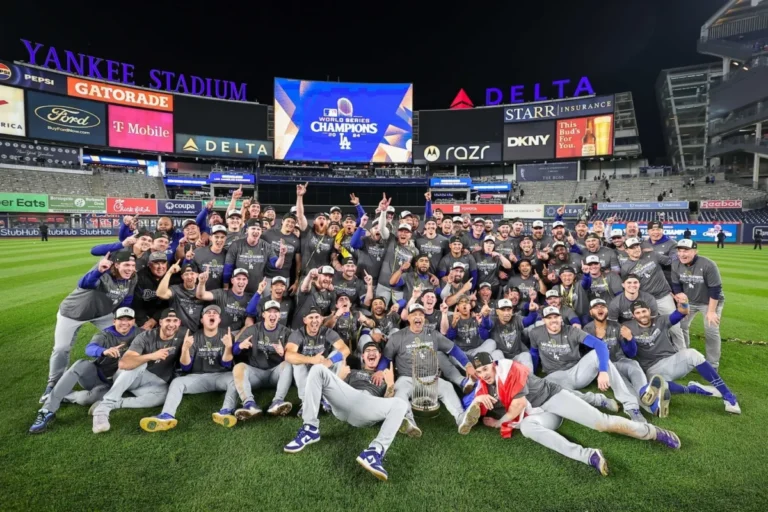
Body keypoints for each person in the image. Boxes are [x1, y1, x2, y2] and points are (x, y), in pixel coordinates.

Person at [461, 353, 680, 476]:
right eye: (479, 372)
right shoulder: (484, 384)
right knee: (528, 428)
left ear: (494, 365)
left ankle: (652, 432)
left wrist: (499, 423)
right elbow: (472, 408)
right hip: (539, 414)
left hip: (551, 398)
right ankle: (589, 456)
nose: (484, 374)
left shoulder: (512, 369)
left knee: (601, 423)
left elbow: (517, 406)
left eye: (486, 369)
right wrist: (477, 400)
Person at [283, 342, 410, 481]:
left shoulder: (385, 378)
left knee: (400, 404)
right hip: (347, 399)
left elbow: (387, 405)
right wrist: (340, 376)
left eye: (375, 350)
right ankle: (310, 428)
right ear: (363, 356)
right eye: (368, 350)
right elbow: (333, 390)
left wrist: (390, 383)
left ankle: (374, 452)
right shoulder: (353, 372)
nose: (372, 352)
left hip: (368, 406)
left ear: (380, 356)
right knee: (318, 369)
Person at [40, 249, 137, 403]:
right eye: (127, 265)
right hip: (73, 313)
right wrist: (98, 271)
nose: (130, 268)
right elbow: (85, 283)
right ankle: (53, 385)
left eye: (133, 265)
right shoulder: (104, 274)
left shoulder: (132, 277)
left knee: (126, 334)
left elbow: (126, 300)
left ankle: (119, 373)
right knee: (61, 348)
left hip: (101, 314)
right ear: (116, 265)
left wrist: (123, 320)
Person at [374, 303, 479, 435]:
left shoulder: (433, 334)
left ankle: (461, 419)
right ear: (409, 318)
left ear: (424, 318)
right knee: (399, 391)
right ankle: (409, 422)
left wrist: (468, 365)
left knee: (447, 387)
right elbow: (386, 357)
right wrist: (379, 370)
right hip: (408, 378)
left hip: (431, 378)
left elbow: (453, 349)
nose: (418, 317)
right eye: (414, 314)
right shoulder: (397, 337)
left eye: (421, 315)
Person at [30, 308, 139, 434]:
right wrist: (103, 351)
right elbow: (90, 348)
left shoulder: (139, 333)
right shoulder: (104, 334)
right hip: (96, 376)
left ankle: (64, 395)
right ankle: (47, 411)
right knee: (80, 364)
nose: (124, 323)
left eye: (128, 319)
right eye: (121, 319)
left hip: (111, 386)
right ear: (114, 321)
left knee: (88, 400)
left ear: (133, 321)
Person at [528, 306, 646, 422]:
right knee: (552, 390)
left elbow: (600, 345)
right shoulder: (535, 333)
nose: (553, 320)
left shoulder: (572, 331)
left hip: (578, 371)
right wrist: (532, 376)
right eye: (549, 318)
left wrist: (603, 371)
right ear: (543, 320)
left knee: (597, 354)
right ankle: (598, 400)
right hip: (555, 375)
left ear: (561, 318)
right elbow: (533, 354)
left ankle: (631, 407)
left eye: (556, 316)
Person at [624, 299, 741, 416]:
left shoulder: (661, 320)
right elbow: (631, 354)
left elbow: (681, 313)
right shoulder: (627, 328)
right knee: (656, 386)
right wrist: (629, 339)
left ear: (649, 311)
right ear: (633, 316)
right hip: (651, 369)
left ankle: (728, 395)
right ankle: (693, 389)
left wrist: (684, 303)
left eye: (644, 311)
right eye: (638, 313)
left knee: (693, 354)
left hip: (672, 362)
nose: (642, 315)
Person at [139, 305, 235, 432]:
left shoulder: (227, 336)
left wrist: (228, 347)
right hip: (198, 377)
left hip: (221, 376)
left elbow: (226, 364)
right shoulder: (194, 337)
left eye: (215, 313)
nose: (212, 314)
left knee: (236, 380)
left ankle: (226, 412)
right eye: (208, 313)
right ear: (202, 320)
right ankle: (166, 415)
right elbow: (186, 367)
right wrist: (185, 350)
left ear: (219, 319)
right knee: (177, 382)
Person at [91, 308, 185, 433]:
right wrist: (151, 356)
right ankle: (103, 409)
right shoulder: (146, 336)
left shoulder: (184, 334)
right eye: (168, 320)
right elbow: (124, 363)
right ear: (161, 322)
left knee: (164, 395)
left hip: (150, 382)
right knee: (138, 364)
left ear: (179, 323)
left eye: (175, 321)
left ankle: (115, 404)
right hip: (129, 376)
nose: (171, 324)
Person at [215, 300, 295, 425]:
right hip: (256, 374)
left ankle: (277, 402)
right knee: (239, 367)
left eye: (276, 312)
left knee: (288, 364)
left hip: (275, 374)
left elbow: (295, 355)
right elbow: (234, 351)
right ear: (263, 314)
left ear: (279, 315)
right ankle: (249, 404)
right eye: (269, 312)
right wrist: (240, 346)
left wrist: (284, 353)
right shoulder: (253, 329)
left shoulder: (286, 332)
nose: (272, 315)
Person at [620, 238, 684, 350]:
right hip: (646, 301)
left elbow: (670, 261)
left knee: (675, 328)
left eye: (637, 246)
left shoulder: (653, 255)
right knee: (652, 330)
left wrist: (680, 253)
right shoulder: (626, 267)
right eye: (632, 248)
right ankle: (660, 353)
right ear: (626, 250)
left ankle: (683, 352)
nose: (636, 249)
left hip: (663, 296)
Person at [671, 239, 725, 368]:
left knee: (711, 330)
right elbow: (676, 285)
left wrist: (711, 312)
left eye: (686, 250)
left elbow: (715, 289)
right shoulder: (675, 264)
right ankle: (685, 356)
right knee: (681, 326)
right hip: (690, 301)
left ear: (695, 251)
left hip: (709, 301)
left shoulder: (708, 264)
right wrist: (680, 299)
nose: (682, 254)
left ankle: (712, 363)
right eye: (680, 251)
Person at [284, 307, 351, 410]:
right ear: (305, 320)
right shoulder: (298, 334)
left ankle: (327, 399)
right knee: (296, 363)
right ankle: (306, 401)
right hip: (306, 371)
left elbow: (346, 350)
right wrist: (311, 360)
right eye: (311, 317)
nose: (314, 320)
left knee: (338, 355)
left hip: (323, 366)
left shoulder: (327, 332)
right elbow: (288, 355)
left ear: (321, 319)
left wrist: (330, 361)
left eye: (317, 317)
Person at [583, 299, 647, 397]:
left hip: (620, 361)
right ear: (591, 312)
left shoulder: (616, 326)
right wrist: (599, 339)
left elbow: (631, 353)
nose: (600, 309)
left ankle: (644, 392)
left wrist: (630, 339)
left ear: (607, 310)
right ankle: (638, 401)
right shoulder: (587, 330)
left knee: (634, 365)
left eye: (603, 306)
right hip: (605, 367)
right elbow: (588, 356)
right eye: (596, 307)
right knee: (623, 382)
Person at [196, 267, 253, 332]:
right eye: (238, 279)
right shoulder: (221, 293)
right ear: (232, 281)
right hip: (220, 335)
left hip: (238, 335)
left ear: (247, 281)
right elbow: (201, 295)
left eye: (244, 279)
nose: (241, 282)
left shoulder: (251, 299)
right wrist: (201, 283)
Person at [156, 260, 205, 333]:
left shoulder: (202, 291)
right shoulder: (176, 289)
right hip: (176, 332)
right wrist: (169, 272)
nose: (189, 277)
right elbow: (160, 294)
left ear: (197, 275)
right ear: (182, 277)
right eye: (186, 274)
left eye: (192, 274)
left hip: (196, 333)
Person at [132, 252, 170, 331]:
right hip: (144, 314)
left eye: (163, 263)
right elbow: (137, 303)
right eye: (156, 263)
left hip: (165, 314)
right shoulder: (140, 277)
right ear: (149, 265)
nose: (160, 267)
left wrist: (155, 319)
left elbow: (172, 304)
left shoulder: (172, 276)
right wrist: (143, 323)